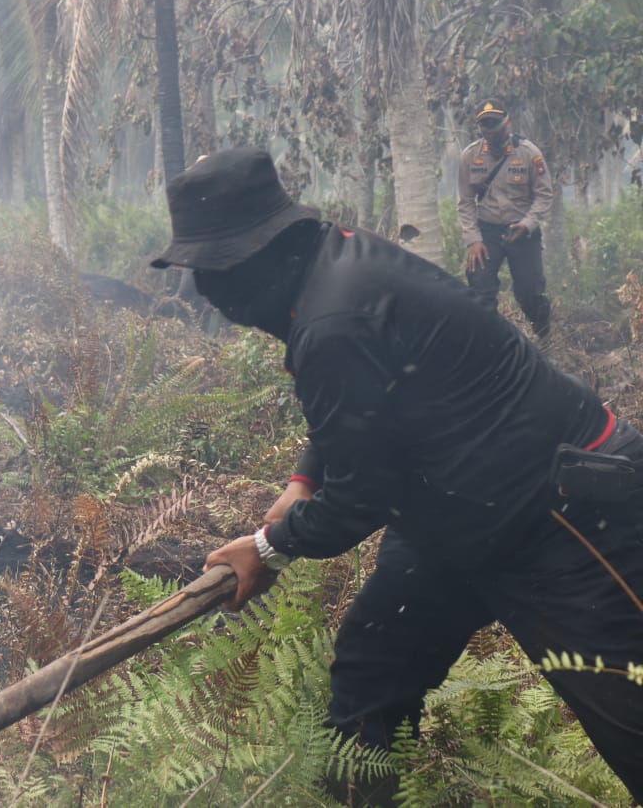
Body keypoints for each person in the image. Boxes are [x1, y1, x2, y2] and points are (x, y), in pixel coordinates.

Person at [151, 147, 643, 803]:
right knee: (368, 691)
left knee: (630, 711)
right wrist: (302, 483)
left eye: (211, 271)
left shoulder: (331, 318)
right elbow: (365, 406)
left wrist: (268, 547)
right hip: (452, 516)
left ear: (252, 257)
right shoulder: (332, 266)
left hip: (559, 512)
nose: (209, 293)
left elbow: (362, 496)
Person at [459, 98, 554, 338]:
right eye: (485, 126)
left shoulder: (529, 154)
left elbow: (544, 196)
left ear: (507, 123)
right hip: (486, 233)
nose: (490, 131)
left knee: (529, 294)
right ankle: (490, 344)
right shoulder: (470, 156)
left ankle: (544, 336)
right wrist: (473, 241)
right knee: (480, 290)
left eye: (494, 124)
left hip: (522, 232)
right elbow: (466, 202)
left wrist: (528, 224)